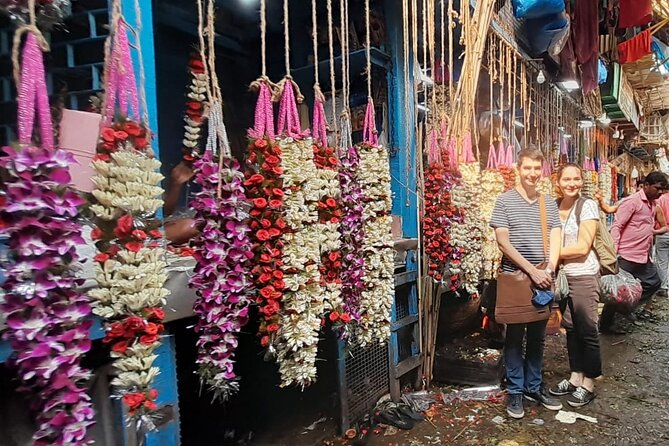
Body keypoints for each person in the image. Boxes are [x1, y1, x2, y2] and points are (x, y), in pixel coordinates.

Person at [491, 148, 563, 419]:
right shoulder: (504, 201)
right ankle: (516, 392)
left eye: (537, 168)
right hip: (517, 278)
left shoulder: (547, 204)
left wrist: (550, 268)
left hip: (543, 278)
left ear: (542, 171)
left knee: (537, 338)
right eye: (527, 168)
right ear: (518, 169)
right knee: (514, 337)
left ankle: (534, 387)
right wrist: (533, 270)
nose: (532, 173)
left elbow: (555, 235)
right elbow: (503, 241)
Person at [548, 164, 601, 407]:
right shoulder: (555, 206)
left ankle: (589, 383)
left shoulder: (587, 205)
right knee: (570, 328)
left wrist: (551, 254)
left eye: (576, 179)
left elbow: (583, 247)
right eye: (567, 179)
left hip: (584, 275)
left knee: (587, 329)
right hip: (564, 278)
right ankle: (575, 377)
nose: (572, 183)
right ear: (557, 181)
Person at [603, 171, 669, 332]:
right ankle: (606, 324)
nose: (660, 192)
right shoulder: (633, 202)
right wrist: (613, 251)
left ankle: (625, 308)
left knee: (654, 283)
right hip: (626, 255)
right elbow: (617, 226)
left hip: (643, 256)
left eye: (662, 189)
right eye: (657, 188)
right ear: (646, 185)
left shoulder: (653, 205)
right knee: (616, 292)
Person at [652, 191, 669, 297]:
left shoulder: (660, 200)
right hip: (662, 231)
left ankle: (663, 287)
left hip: (663, 233)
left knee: (662, 261)